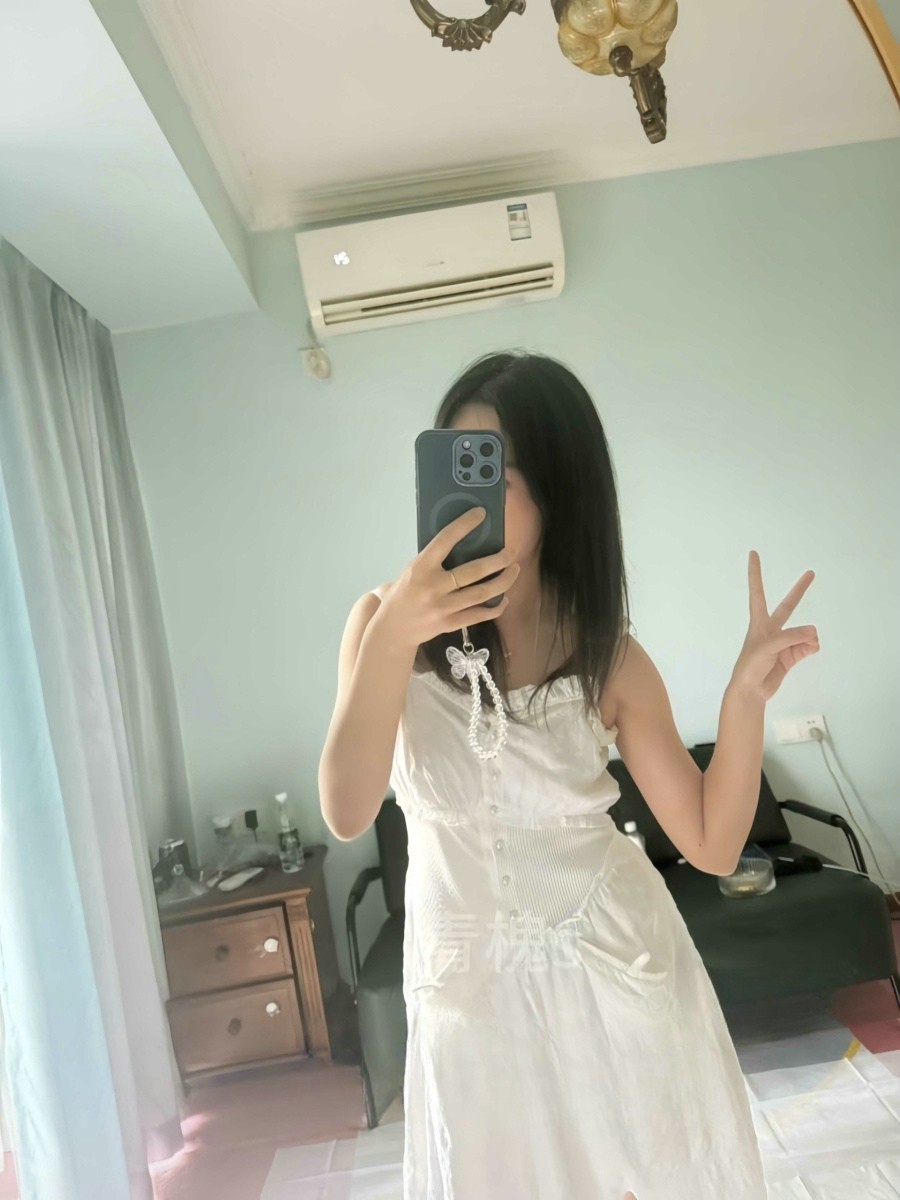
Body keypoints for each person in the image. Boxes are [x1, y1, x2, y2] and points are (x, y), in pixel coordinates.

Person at [319, 350, 818, 1199]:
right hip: (467, 1002)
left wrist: (742, 701)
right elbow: (346, 807)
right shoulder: (379, 624)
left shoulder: (605, 651)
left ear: (558, 492)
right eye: (453, 462)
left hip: (614, 976)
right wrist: (398, 630)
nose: (466, 493)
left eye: (493, 471)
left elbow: (711, 844)